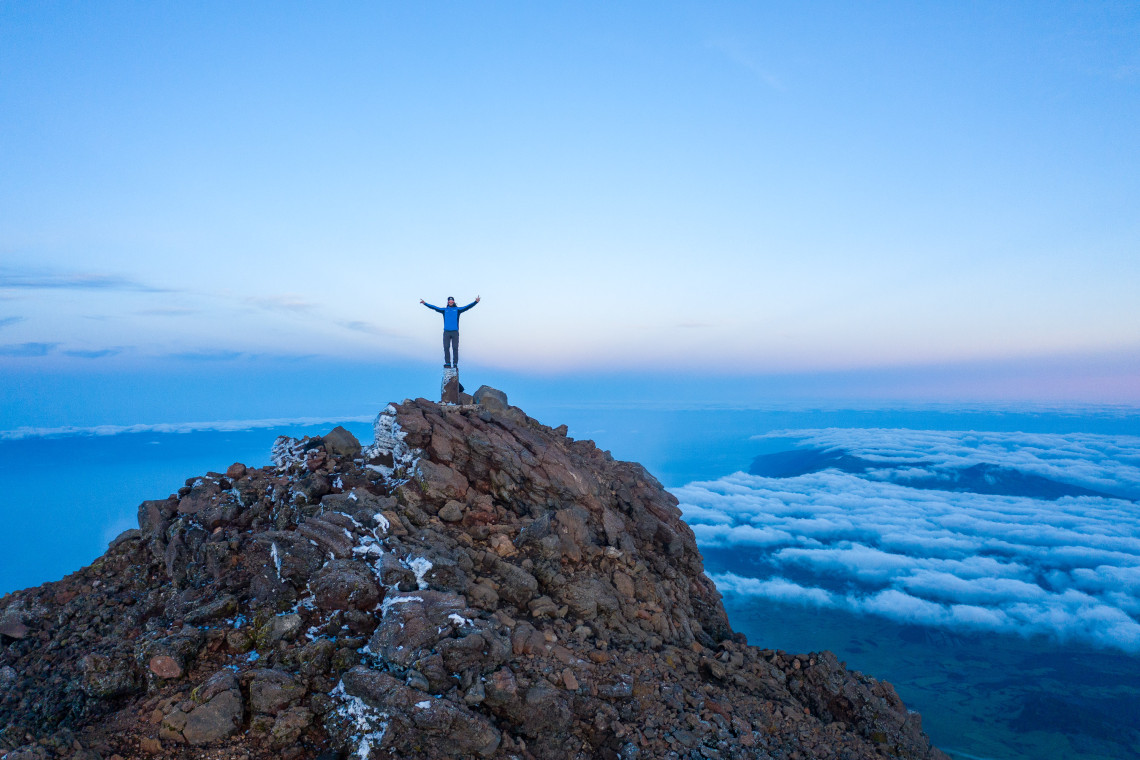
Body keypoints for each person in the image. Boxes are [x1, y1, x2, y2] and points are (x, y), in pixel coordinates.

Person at [420, 295, 480, 368]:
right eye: (449, 301)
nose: (450, 302)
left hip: (455, 332)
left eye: (452, 301)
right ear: (448, 302)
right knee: (446, 347)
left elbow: (467, 307)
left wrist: (475, 302)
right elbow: (434, 307)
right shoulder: (444, 310)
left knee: (455, 348)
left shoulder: (457, 309)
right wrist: (425, 303)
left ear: (453, 302)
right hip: (446, 332)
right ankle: (448, 362)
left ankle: (455, 363)